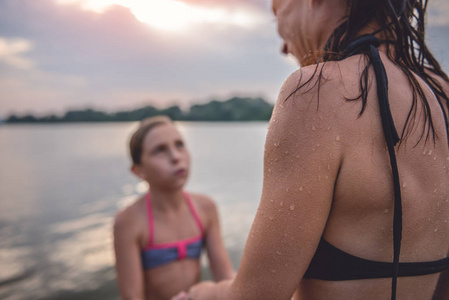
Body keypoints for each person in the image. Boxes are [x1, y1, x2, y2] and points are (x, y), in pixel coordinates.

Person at [172, 0, 449, 299]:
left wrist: (202, 293)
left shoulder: (318, 91)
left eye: (277, 11)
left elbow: (256, 296)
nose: (284, 49)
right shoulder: (443, 94)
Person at [113, 115, 235, 300]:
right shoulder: (129, 221)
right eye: (160, 150)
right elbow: (132, 297)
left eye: (179, 145)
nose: (176, 157)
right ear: (139, 171)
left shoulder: (205, 208)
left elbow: (225, 275)